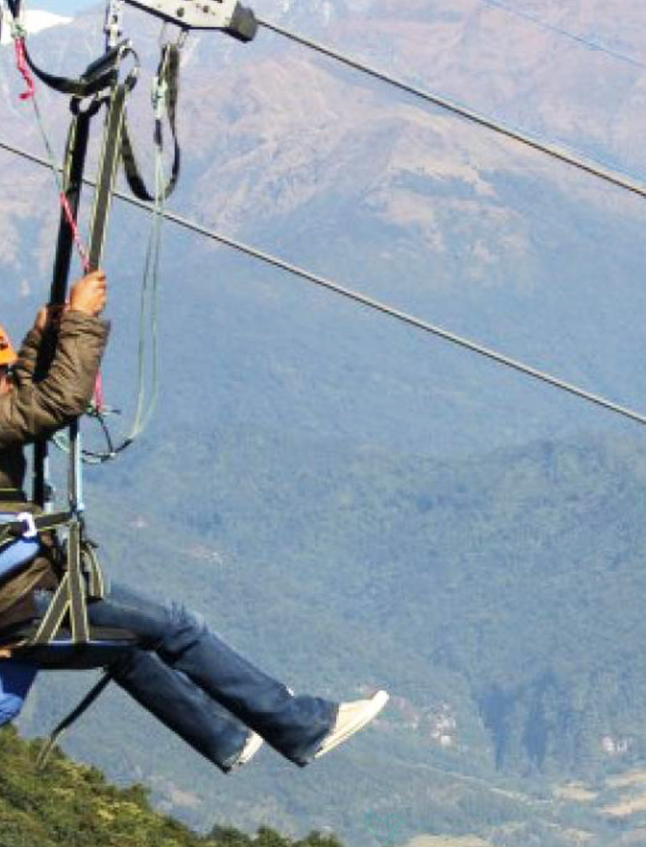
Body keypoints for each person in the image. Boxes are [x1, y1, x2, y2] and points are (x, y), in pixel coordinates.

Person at [0, 270, 387, 770]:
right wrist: (76, 321)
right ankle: (301, 725)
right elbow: (54, 403)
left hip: (26, 596)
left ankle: (227, 736)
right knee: (173, 626)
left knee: (129, 644)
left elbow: (21, 411)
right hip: (22, 606)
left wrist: (40, 340)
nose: (8, 381)